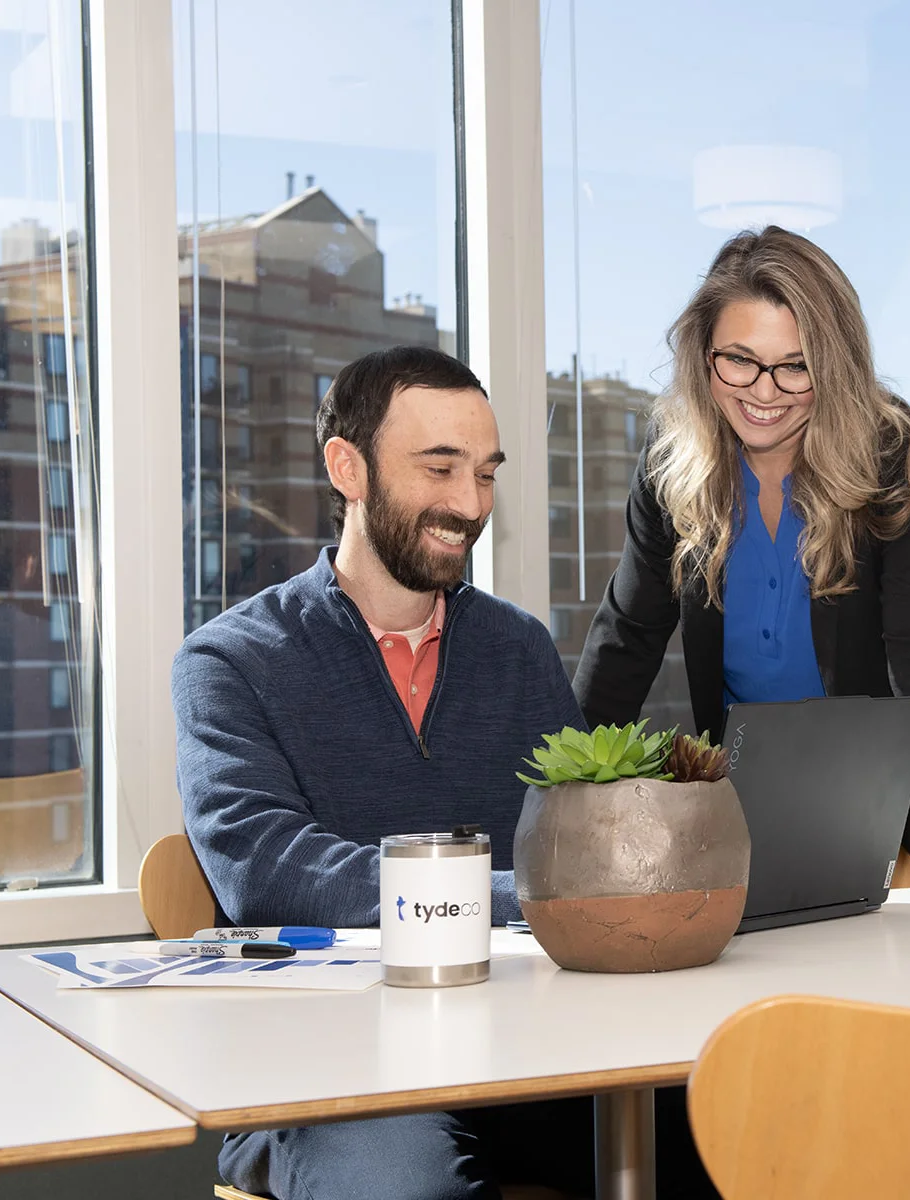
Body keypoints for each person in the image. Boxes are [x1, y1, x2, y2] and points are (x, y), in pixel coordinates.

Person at [173, 346, 592, 1200]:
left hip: (536, 1047)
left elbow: (578, 843)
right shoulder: (228, 661)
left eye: (484, 473)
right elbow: (270, 873)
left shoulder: (519, 650)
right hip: (333, 1069)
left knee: (740, 1128)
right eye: (439, 468)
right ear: (347, 468)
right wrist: (526, 899)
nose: (469, 504)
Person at [575, 226, 910, 899]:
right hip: (733, 793)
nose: (766, 390)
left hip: (863, 800)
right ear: (704, 356)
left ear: (836, 364)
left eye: (797, 363)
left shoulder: (895, 456)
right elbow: (627, 638)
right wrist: (559, 807)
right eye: (740, 359)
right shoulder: (671, 460)